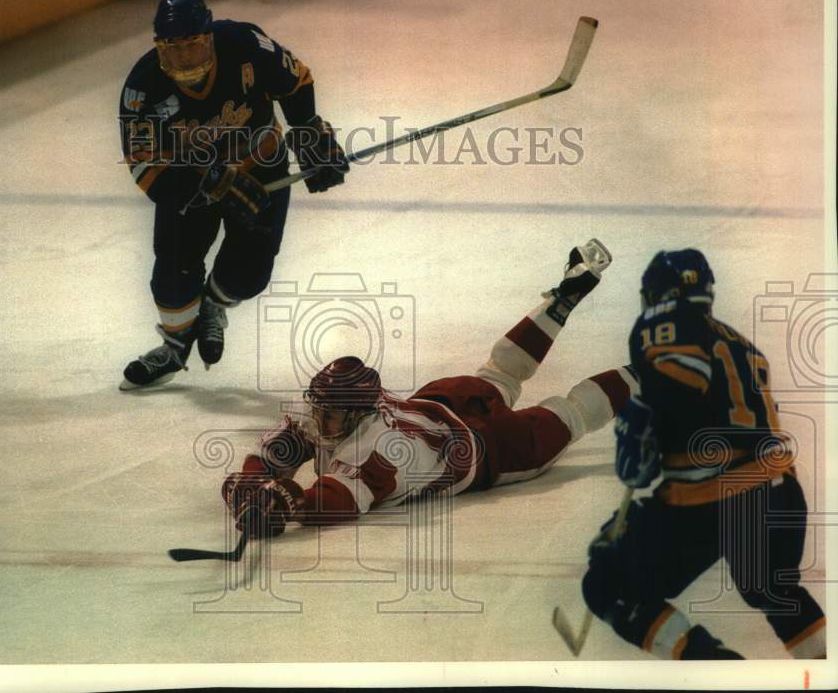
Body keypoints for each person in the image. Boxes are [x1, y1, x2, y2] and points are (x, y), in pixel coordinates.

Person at [220, 239, 637, 537]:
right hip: (442, 400)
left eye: (329, 412)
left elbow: (342, 501)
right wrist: (253, 483)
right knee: (501, 372)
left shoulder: (378, 450)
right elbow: (270, 455)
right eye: (319, 407)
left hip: (487, 450)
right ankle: (560, 302)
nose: (317, 418)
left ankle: (650, 370)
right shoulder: (333, 412)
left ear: (356, 415)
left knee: (570, 414)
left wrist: (288, 504)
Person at [581, 249, 826, 660]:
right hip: (778, 490)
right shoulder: (740, 342)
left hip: (713, 500)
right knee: (773, 590)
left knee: (608, 583)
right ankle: (824, 670)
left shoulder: (663, 323)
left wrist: (636, 434)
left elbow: (675, 391)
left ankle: (721, 673)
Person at [117, 0, 348, 390]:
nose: (186, 60)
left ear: (209, 36)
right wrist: (209, 180)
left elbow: (296, 81)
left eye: (194, 46)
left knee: (250, 274)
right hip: (190, 187)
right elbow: (144, 166)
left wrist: (308, 128)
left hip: (261, 171)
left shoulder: (245, 45)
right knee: (174, 271)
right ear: (159, 48)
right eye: (175, 51)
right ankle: (174, 346)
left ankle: (213, 307)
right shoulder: (142, 88)